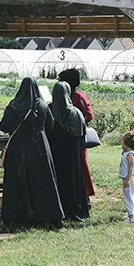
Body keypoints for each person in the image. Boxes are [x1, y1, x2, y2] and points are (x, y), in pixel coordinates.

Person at [0, 78, 63, 229]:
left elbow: (4, 126)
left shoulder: (14, 106)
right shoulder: (42, 106)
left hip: (18, 148)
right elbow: (50, 125)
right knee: (42, 180)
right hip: (40, 146)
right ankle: (46, 215)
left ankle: (17, 216)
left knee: (17, 180)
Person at [49, 79, 90, 222]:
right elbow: (81, 135)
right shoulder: (76, 113)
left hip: (55, 154)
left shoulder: (49, 110)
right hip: (72, 155)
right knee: (73, 181)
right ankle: (76, 209)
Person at [58, 68, 95, 198]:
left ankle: (84, 193)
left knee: (80, 164)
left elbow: (88, 115)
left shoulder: (78, 98)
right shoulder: (63, 97)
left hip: (76, 137)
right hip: (63, 139)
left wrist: (74, 125)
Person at [119, 129, 134, 224]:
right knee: (128, 196)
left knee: (129, 197)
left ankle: (131, 217)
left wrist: (127, 180)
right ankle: (130, 214)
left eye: (122, 142)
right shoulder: (127, 153)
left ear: (127, 144)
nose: (121, 144)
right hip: (129, 179)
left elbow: (131, 168)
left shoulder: (130, 155)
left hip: (130, 179)